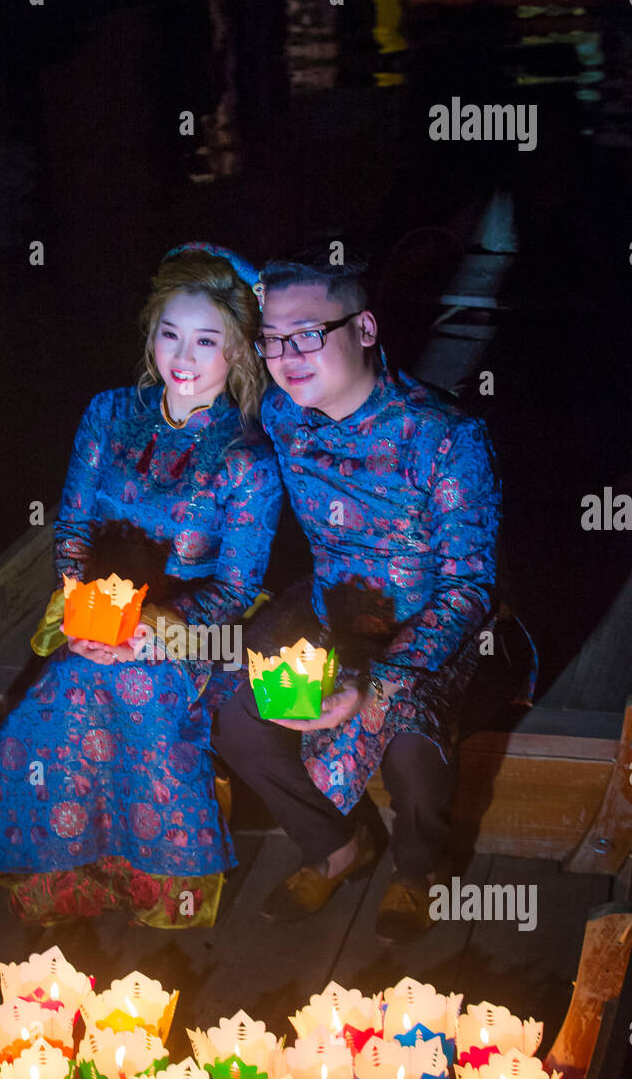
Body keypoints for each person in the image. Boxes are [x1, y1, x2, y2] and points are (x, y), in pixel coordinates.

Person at [0, 244, 282, 928]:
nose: (184, 354)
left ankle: (155, 874)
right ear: (150, 335)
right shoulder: (110, 412)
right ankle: (71, 865)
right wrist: (85, 609)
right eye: (169, 333)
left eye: (207, 340)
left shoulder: (249, 459)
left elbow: (235, 589)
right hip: (92, 613)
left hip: (191, 626)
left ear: (239, 352)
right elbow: (75, 523)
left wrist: (151, 635)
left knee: (142, 695)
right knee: (62, 697)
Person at [212, 247, 501, 945]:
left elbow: (471, 587)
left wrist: (373, 682)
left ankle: (418, 869)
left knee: (410, 749)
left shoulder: (448, 438)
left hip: (430, 620)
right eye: (272, 339)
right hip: (329, 606)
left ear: (364, 330)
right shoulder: (282, 416)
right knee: (236, 712)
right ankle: (336, 847)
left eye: (308, 333)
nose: (287, 355)